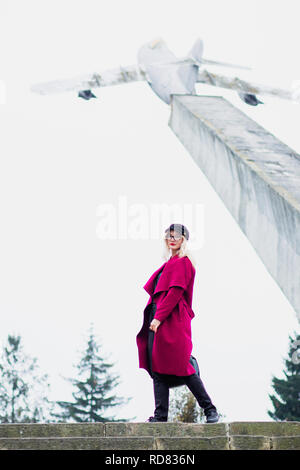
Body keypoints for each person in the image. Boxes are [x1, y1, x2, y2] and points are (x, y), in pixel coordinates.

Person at [136, 223, 219, 423]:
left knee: (183, 366)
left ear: (183, 240)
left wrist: (158, 318)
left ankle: (210, 410)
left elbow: (174, 293)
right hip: (160, 318)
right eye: (169, 236)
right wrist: (155, 318)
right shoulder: (169, 263)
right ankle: (160, 415)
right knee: (158, 368)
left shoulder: (183, 262)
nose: (172, 239)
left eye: (176, 236)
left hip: (172, 320)